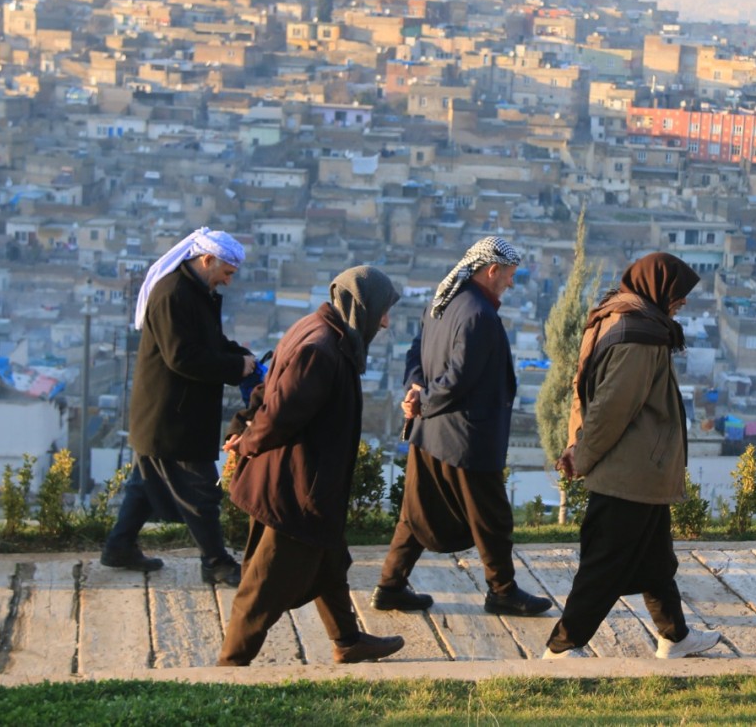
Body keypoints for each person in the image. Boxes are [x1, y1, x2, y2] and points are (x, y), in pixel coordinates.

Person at [218, 266, 405, 666]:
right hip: (297, 491)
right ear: (362, 308)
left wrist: (243, 431)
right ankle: (230, 666)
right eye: (382, 311)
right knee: (262, 587)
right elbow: (280, 413)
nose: (385, 322)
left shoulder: (316, 330)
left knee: (330, 562)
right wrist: (246, 441)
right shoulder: (320, 350)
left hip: (309, 483)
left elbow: (267, 391)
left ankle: (348, 640)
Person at [543, 252, 722, 659]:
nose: (682, 302)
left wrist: (576, 443)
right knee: (604, 566)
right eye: (678, 293)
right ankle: (561, 647)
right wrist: (582, 455)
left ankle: (674, 637)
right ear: (658, 288)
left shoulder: (616, 315)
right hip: (631, 472)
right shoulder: (640, 334)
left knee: (657, 561)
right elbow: (611, 408)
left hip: (641, 470)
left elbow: (582, 386)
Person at [372, 236, 551, 617]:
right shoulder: (479, 317)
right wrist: (423, 399)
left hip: (429, 436)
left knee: (416, 513)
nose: (511, 284)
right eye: (509, 275)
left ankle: (390, 585)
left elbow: (414, 354)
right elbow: (457, 380)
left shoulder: (441, 302)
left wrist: (415, 390)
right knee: (492, 519)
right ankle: (502, 591)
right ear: (491, 271)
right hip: (466, 439)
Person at [100, 228, 255, 586]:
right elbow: (182, 356)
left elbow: (209, 342)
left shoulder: (195, 292)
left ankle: (119, 546)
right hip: (171, 416)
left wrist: (239, 357)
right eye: (227, 273)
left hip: (170, 413)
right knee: (201, 491)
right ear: (207, 260)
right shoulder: (174, 294)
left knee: (144, 485)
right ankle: (216, 561)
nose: (228, 282)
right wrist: (236, 368)